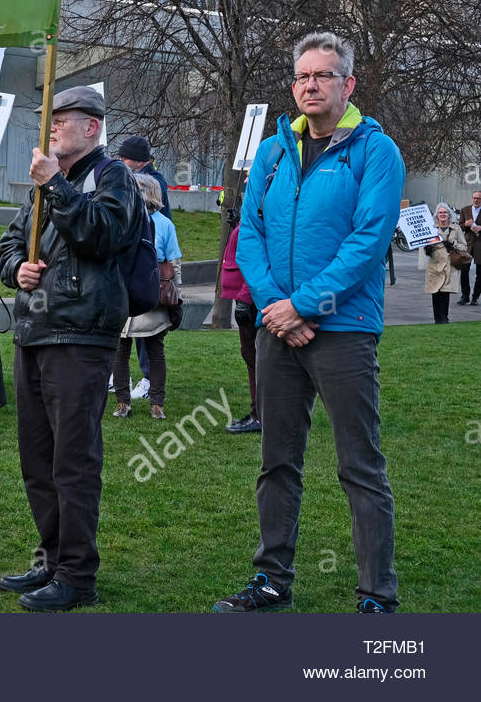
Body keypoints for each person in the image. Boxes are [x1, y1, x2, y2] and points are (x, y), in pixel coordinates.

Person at [214, 31, 405, 614]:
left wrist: (308, 305)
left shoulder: (377, 151)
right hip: (280, 329)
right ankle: (272, 578)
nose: (311, 84)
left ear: (348, 84)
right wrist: (279, 307)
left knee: (360, 466)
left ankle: (376, 593)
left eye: (324, 75)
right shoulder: (272, 153)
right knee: (277, 461)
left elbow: (369, 241)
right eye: (302, 76)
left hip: (342, 331)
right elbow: (252, 237)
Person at [0, 85, 142, 612]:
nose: (50, 127)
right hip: (34, 329)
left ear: (93, 127)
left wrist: (55, 184)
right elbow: (10, 242)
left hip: (80, 333)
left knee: (72, 460)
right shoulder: (43, 184)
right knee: (37, 459)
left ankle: (78, 574)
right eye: (47, 119)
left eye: (61, 118)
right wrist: (18, 268)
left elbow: (101, 234)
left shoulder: (113, 176)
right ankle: (52, 561)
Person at [111, 173, 181, 421]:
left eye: (138, 188)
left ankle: (156, 403)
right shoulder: (122, 219)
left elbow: (174, 262)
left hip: (152, 296)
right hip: (123, 294)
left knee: (155, 351)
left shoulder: (164, 224)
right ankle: (122, 402)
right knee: (120, 349)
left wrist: (177, 298)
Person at [220, 180, 261, 433]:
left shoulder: (257, 222)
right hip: (245, 296)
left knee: (255, 356)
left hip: (251, 298)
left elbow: (253, 261)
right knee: (251, 356)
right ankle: (259, 411)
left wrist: (245, 298)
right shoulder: (250, 220)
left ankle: (261, 414)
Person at [424, 203, 465, 324]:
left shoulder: (456, 228)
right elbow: (424, 245)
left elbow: (464, 246)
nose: (442, 215)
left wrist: (453, 245)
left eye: (445, 212)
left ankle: (444, 318)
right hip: (434, 264)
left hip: (449, 264)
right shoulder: (431, 228)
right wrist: (427, 250)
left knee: (445, 292)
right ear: (437, 215)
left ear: (449, 215)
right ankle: (437, 318)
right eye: (440, 212)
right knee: (435, 291)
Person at [459, 190, 481, 305]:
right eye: (474, 198)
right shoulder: (465, 210)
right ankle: (465, 296)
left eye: (478, 198)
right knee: (464, 271)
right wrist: (466, 225)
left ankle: (475, 297)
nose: (476, 200)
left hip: (480, 245)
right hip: (467, 245)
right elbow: (460, 226)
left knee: (480, 274)